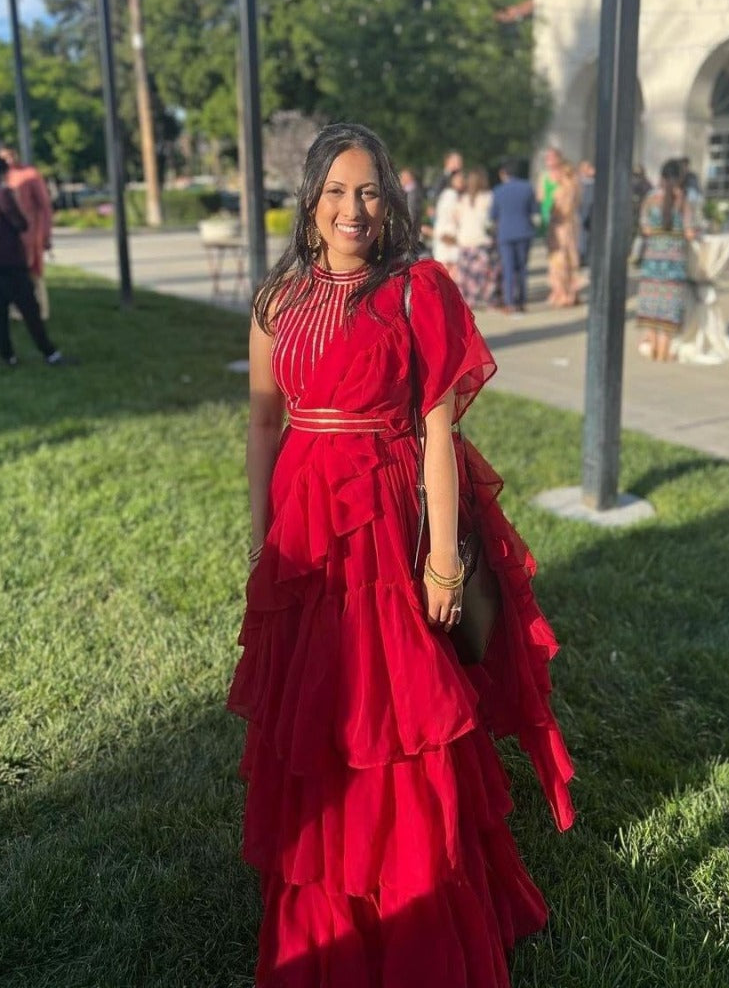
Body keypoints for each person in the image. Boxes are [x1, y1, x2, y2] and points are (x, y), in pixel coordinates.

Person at [231, 121, 574, 987]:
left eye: (370, 191)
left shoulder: (419, 290)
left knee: (403, 721)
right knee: (318, 724)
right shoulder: (277, 301)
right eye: (337, 191)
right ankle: (331, 910)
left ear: (390, 204)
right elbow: (264, 423)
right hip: (306, 529)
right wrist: (260, 536)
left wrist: (446, 559)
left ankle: (419, 907)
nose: (354, 208)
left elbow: (435, 431)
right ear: (309, 202)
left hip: (389, 522)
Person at [0, 153, 68, 368]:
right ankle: (49, 353)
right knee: (30, 308)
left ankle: (6, 355)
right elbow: (20, 224)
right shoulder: (2, 194)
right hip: (10, 260)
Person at [636, 157, 698, 361]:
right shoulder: (684, 202)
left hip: (652, 262)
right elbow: (689, 232)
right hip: (674, 264)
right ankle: (664, 352)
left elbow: (645, 228)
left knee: (652, 308)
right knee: (668, 311)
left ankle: (652, 348)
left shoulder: (651, 199)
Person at [0, 142, 54, 320]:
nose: (9, 160)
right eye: (5, 157)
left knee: (34, 273)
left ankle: (41, 310)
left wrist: (45, 233)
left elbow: (44, 206)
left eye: (11, 155)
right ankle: (16, 309)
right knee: (11, 274)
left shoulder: (30, 175)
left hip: (30, 232)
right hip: (7, 234)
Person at [490, 156, 537, 312]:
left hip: (505, 233)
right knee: (522, 268)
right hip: (524, 231)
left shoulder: (498, 191)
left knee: (508, 268)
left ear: (504, 173)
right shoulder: (527, 187)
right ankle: (521, 301)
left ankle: (510, 302)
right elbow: (534, 211)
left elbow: (493, 215)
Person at [456, 166, 499, 308]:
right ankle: (487, 298)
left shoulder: (462, 198)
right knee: (485, 273)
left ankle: (468, 300)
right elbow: (491, 220)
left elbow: (457, 218)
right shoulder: (489, 197)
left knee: (466, 274)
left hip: (465, 240)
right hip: (481, 240)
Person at [546, 161, 581, 308]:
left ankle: (562, 294)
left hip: (560, 228)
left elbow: (558, 210)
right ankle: (570, 293)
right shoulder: (574, 188)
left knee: (558, 262)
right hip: (570, 227)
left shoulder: (561, 190)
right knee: (569, 261)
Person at [431, 166, 464, 280]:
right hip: (449, 238)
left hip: (446, 239)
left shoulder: (447, 195)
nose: (462, 180)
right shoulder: (451, 196)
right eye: (459, 178)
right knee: (451, 277)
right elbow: (452, 217)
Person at [536, 145, 562, 233]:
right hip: (546, 212)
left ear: (558, 158)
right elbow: (539, 197)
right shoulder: (543, 176)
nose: (547, 159)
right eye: (546, 157)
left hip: (561, 213)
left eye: (551, 157)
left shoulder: (564, 175)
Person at [577, 158, 595, 267]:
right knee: (582, 238)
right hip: (582, 216)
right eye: (588, 168)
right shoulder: (578, 184)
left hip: (592, 218)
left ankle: (588, 258)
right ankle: (582, 257)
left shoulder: (595, 183)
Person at [399, 165, 424, 242]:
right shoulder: (410, 191)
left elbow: (411, 214)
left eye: (402, 176)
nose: (400, 179)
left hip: (409, 235)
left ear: (409, 178)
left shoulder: (412, 194)